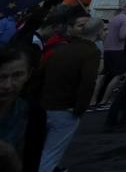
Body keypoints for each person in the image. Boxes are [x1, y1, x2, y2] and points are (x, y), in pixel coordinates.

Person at [37, 12, 100, 172]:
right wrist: (80, 108)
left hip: (44, 104)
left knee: (39, 146)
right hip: (66, 108)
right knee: (51, 152)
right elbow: (88, 83)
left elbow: (41, 74)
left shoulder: (61, 47)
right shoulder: (90, 51)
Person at [0, 46, 44, 172]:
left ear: (29, 74)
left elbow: (31, 165)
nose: (8, 85)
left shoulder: (34, 114)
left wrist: (10, 154)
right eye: (1, 76)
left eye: (17, 75)